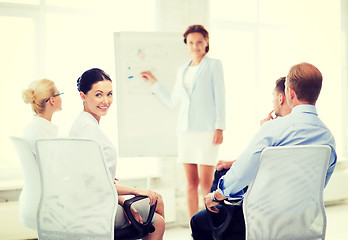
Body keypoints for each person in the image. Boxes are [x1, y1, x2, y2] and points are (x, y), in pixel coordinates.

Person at [191, 62, 337, 240]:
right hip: (303, 222)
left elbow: (242, 171)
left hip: (262, 222)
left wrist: (216, 195)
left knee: (199, 221)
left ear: (290, 93)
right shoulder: (328, 139)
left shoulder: (273, 129)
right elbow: (319, 184)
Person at [69, 68, 165, 240]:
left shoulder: (83, 123)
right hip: (96, 211)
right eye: (98, 95)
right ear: (83, 96)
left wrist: (122, 200)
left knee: (155, 200)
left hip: (91, 203)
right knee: (158, 218)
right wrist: (135, 191)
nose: (106, 101)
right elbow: (97, 185)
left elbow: (97, 181)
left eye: (109, 94)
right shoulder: (88, 130)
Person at [141, 24, 225, 219]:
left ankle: (209, 225)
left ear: (206, 43)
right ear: (186, 44)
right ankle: (193, 226)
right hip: (185, 132)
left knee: (206, 184)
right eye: (191, 42)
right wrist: (155, 82)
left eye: (199, 42)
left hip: (207, 131)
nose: (195, 46)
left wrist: (220, 127)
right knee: (190, 183)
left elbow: (220, 97)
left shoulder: (214, 65)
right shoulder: (182, 70)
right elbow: (173, 100)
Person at [214, 77, 291, 177]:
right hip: (289, 183)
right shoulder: (307, 129)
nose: (272, 102)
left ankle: (216, 193)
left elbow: (254, 159)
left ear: (281, 98)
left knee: (220, 173)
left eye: (273, 96)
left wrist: (265, 129)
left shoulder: (273, 129)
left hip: (268, 182)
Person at [21, 78, 63, 230]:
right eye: (60, 94)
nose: (61, 97)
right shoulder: (41, 136)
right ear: (52, 100)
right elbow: (56, 174)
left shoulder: (34, 128)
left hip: (37, 200)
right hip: (50, 204)